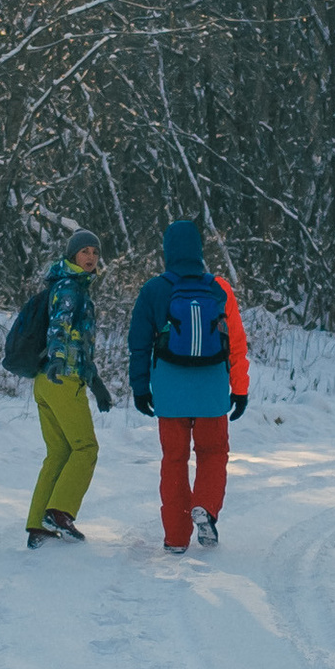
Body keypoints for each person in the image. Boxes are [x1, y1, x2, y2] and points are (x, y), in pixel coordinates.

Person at [127, 220, 249, 552]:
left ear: (167, 251)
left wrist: (140, 388)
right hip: (212, 391)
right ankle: (205, 506)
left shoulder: (154, 289)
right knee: (213, 453)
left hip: (170, 393)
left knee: (174, 460)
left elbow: (139, 345)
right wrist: (239, 389)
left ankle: (176, 538)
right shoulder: (219, 289)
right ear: (199, 250)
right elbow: (236, 344)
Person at [26, 229, 113, 548]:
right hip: (61, 378)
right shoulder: (70, 288)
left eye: (95, 252)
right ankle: (59, 512)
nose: (90, 257)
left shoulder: (66, 284)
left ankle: (38, 525)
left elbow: (79, 342)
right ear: (72, 254)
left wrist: (95, 381)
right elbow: (59, 328)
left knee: (59, 453)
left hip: (46, 381)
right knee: (86, 448)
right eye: (84, 251)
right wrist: (58, 360)